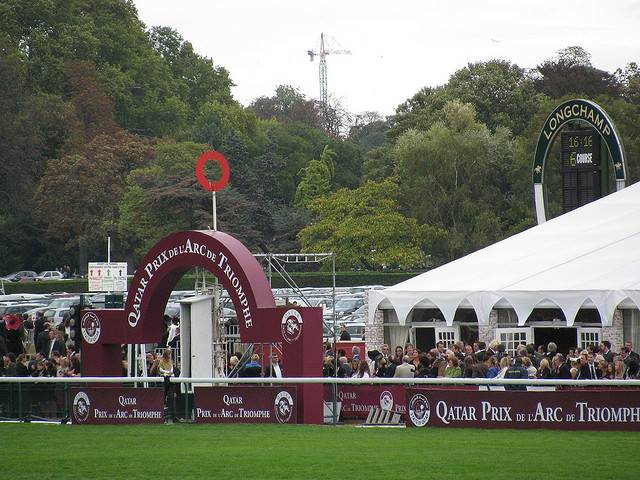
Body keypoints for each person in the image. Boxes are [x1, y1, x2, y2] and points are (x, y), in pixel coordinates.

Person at [158, 348, 179, 422]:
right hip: (164, 380)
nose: (170, 356)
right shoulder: (161, 362)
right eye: (169, 354)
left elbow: (171, 369)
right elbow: (160, 370)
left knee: (171, 397)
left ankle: (173, 416)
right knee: (163, 397)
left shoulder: (170, 362)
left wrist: (171, 373)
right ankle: (162, 415)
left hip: (170, 379)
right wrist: (167, 372)